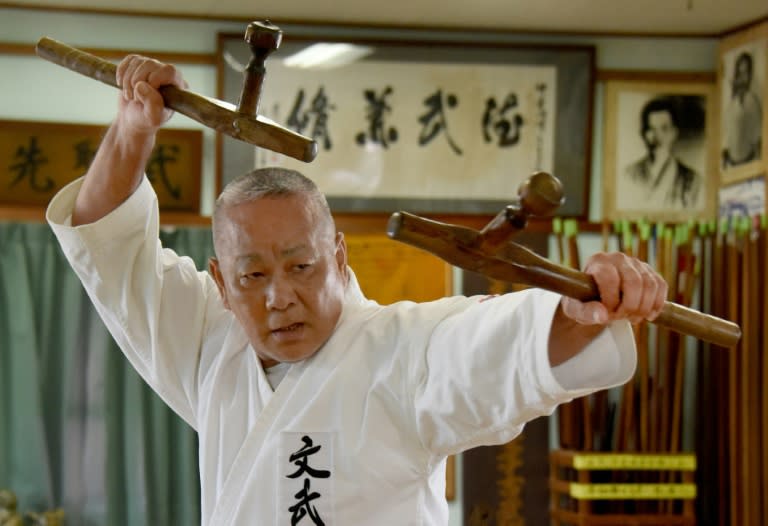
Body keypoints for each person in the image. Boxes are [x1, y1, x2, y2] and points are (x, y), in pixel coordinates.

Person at [47, 55, 667, 525]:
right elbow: (110, 245)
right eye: (253, 276)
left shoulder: (399, 353)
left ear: (339, 258)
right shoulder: (211, 343)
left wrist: (585, 308)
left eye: (301, 266)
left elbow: (492, 345)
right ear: (221, 282)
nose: (278, 296)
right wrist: (133, 130)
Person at [624, 97, 702, 209]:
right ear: (644, 134)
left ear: (674, 133)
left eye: (664, 129)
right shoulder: (630, 175)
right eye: (652, 129)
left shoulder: (692, 180)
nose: (657, 137)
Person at [722, 51, 763, 168]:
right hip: (730, 164)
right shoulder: (731, 102)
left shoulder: (752, 101)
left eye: (745, 73)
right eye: (739, 73)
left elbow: (757, 138)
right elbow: (727, 134)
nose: (742, 78)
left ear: (750, 75)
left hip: (747, 164)